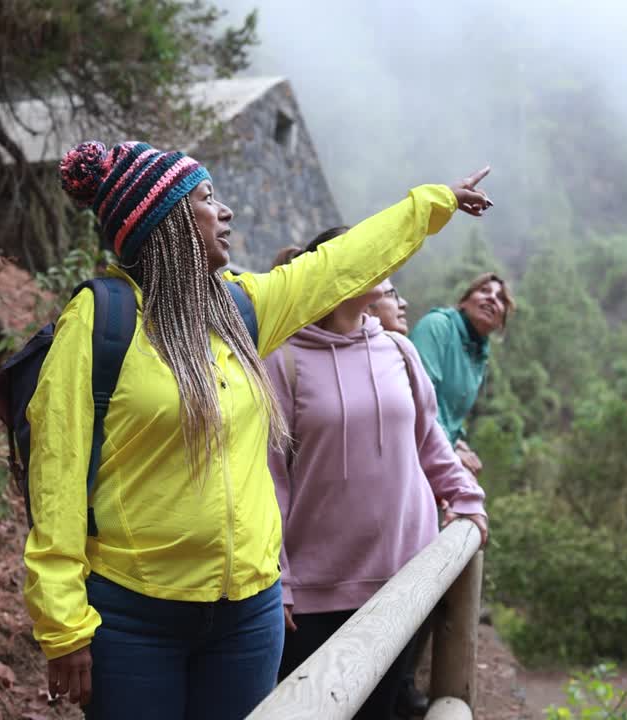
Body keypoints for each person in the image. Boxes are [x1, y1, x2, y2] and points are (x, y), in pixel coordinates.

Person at [24, 138, 493, 719]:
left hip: (249, 616)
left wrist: (433, 204)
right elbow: (57, 481)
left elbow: (340, 262)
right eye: (206, 198)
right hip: (134, 618)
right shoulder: (101, 320)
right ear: (164, 220)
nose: (226, 212)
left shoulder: (243, 311)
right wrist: (63, 624)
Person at [267, 227, 488, 720]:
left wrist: (466, 497)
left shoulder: (398, 350)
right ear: (335, 268)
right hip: (316, 593)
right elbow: (270, 477)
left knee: (384, 711)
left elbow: (429, 440)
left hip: (404, 581)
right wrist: (278, 579)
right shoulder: (283, 360)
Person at [408, 272, 514, 477]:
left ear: (501, 322)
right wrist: (450, 450)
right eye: (484, 291)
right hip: (407, 447)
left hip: (432, 450)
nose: (492, 297)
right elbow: (420, 397)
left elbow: (450, 412)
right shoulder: (438, 326)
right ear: (463, 302)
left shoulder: (479, 355)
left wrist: (457, 440)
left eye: (500, 298)